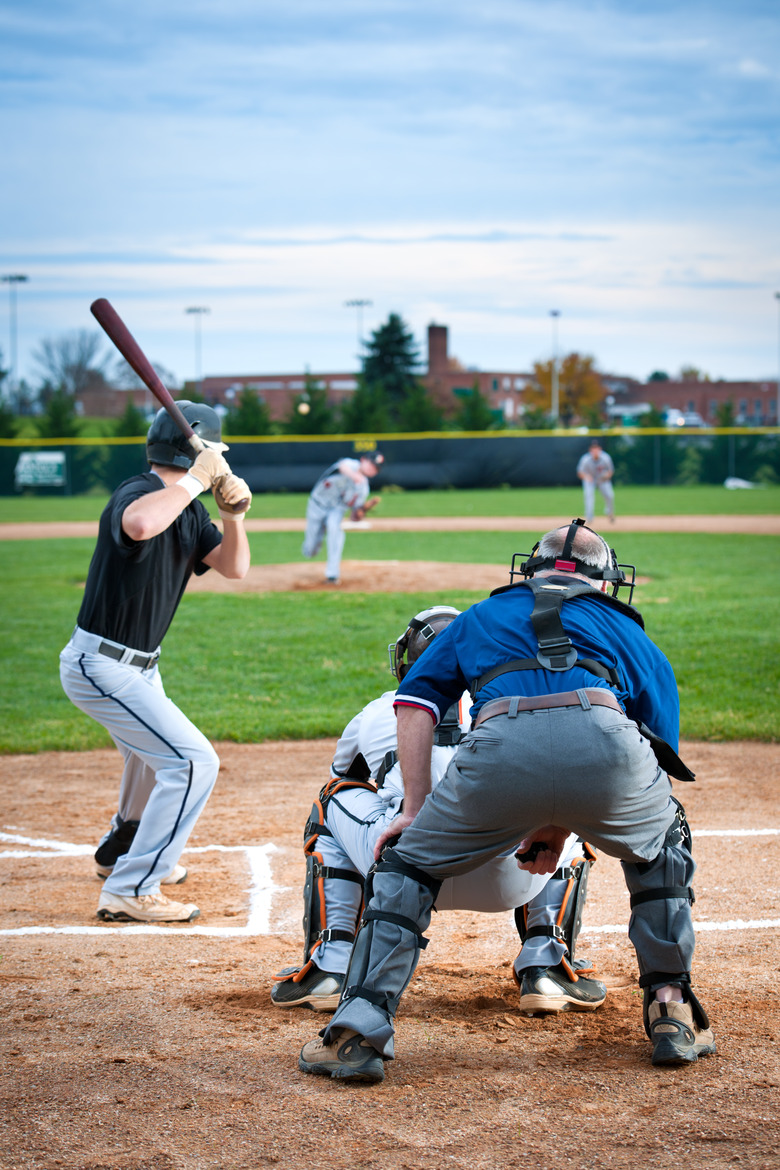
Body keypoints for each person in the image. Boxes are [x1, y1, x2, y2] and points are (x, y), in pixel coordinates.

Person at [298, 519, 715, 1082]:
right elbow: (650, 749)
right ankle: (671, 1006)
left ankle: (359, 1027)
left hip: (498, 748)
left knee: (407, 864)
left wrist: (415, 810)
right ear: (605, 580)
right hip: (607, 743)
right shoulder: (624, 627)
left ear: (530, 571)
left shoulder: (482, 615)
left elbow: (414, 701)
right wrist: (565, 823)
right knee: (662, 844)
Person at [271, 606, 605, 1016]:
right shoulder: (518, 705)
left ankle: (332, 964)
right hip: (511, 876)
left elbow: (347, 777)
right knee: (563, 801)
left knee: (332, 798)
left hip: (403, 877)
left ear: (405, 662)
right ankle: (546, 963)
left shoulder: (378, 710)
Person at [59, 402, 252, 924]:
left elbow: (234, 567)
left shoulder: (188, 510)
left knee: (151, 756)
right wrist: (195, 481)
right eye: (215, 452)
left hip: (140, 665)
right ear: (197, 452)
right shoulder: (140, 494)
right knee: (192, 763)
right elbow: (141, 525)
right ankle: (132, 888)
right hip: (102, 663)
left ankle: (121, 847)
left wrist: (233, 518)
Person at [301, 451, 384, 584]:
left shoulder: (363, 489)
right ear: (363, 460)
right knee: (310, 550)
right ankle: (314, 544)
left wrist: (361, 512)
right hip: (317, 504)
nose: (372, 468)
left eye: (376, 468)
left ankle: (332, 575)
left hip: (336, 510)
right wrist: (355, 476)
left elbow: (353, 517)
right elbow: (342, 466)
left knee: (335, 530)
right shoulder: (350, 464)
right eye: (371, 464)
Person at [577, 438, 615, 524]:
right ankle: (589, 517)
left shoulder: (606, 458)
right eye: (593, 448)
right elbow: (580, 473)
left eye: (596, 448)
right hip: (590, 479)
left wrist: (607, 476)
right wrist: (586, 477)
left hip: (602, 479)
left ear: (600, 449)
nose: (595, 450)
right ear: (590, 450)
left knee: (610, 495)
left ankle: (610, 513)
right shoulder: (585, 459)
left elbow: (610, 471)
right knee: (588, 497)